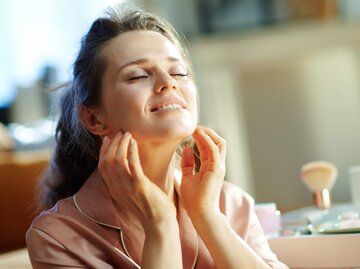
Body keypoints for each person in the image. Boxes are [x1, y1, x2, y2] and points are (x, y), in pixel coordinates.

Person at [26, 4, 288, 269]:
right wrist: (160, 222)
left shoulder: (228, 203)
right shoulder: (57, 238)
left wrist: (207, 216)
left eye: (178, 72)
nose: (168, 81)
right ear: (95, 119)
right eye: (138, 75)